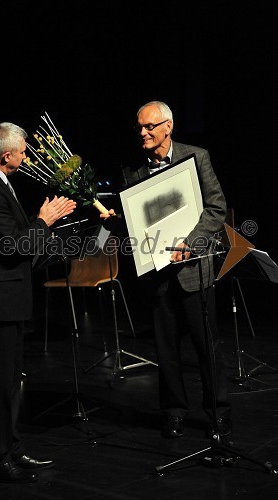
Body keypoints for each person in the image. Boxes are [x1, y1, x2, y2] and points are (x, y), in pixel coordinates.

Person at [0, 122, 76, 483]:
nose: (27, 157)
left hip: (7, 294)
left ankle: (10, 446)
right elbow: (14, 245)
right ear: (7, 155)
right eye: (24, 152)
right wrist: (44, 219)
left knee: (10, 378)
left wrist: (43, 223)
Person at [121, 100, 232, 439]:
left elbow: (216, 208)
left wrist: (192, 242)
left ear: (168, 127)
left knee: (206, 345)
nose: (143, 132)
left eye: (150, 126)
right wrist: (117, 220)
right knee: (165, 348)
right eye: (140, 127)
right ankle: (173, 411)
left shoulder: (196, 157)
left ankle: (218, 411)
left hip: (193, 269)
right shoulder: (132, 170)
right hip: (157, 272)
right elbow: (135, 222)